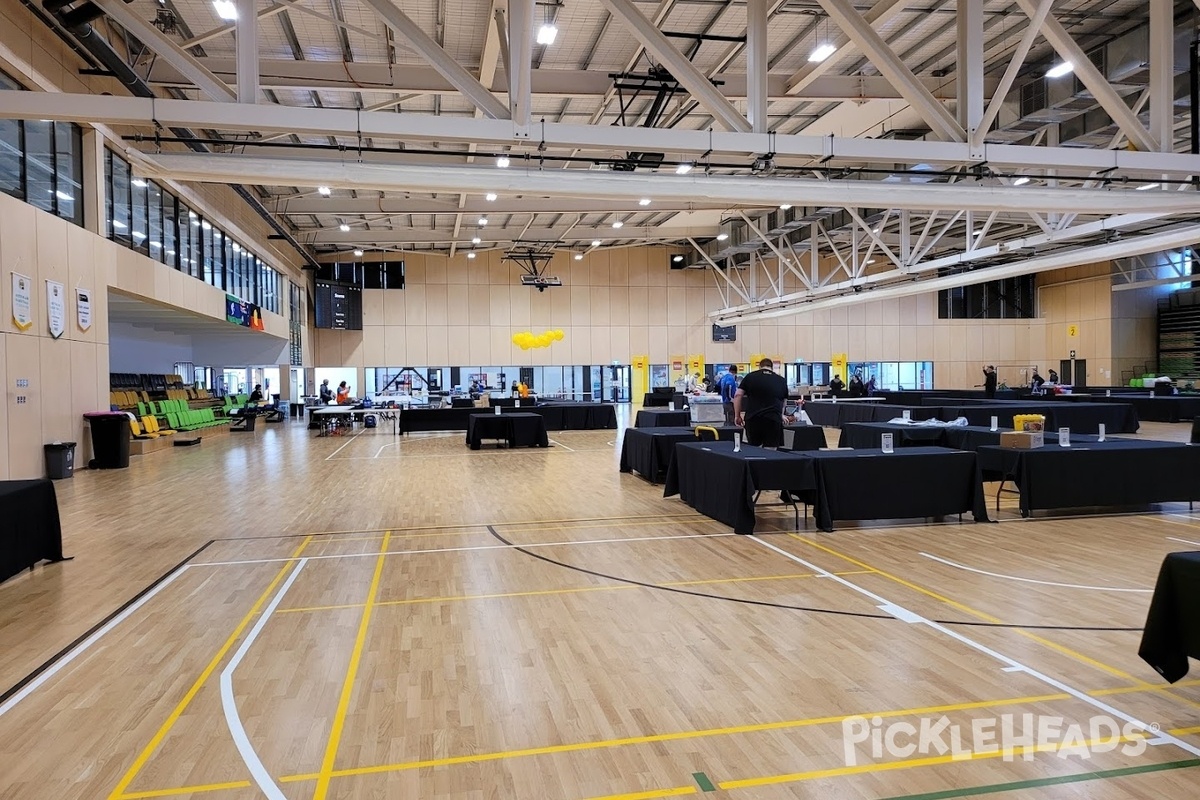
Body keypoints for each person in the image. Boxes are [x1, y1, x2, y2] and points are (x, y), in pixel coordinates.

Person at [734, 358, 788, 448]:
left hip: (753, 418)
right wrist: (781, 415)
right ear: (772, 367)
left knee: (753, 450)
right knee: (771, 450)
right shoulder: (781, 380)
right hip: (773, 419)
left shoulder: (750, 377)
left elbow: (738, 395)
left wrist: (737, 415)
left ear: (760, 367)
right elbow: (783, 400)